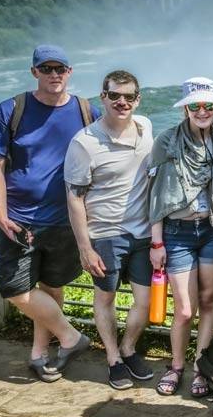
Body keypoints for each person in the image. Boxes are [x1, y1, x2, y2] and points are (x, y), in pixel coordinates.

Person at [0, 44, 99, 381]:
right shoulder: (12, 109)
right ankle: (71, 337)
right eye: (46, 69)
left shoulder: (84, 109)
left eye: (60, 69)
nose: (54, 75)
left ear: (70, 72)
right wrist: (0, 214)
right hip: (18, 218)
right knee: (16, 290)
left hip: (65, 219)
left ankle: (40, 352)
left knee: (51, 287)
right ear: (34, 72)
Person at [64, 70, 154, 390]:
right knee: (106, 296)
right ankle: (113, 358)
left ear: (137, 100)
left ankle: (129, 348)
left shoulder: (146, 128)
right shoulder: (84, 142)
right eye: (114, 95)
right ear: (103, 97)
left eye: (129, 96)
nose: (122, 102)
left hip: (142, 233)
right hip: (105, 233)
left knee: (145, 299)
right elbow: (74, 198)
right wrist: (85, 247)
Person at [149, 78, 213, 397]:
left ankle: (202, 367)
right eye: (195, 106)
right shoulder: (167, 140)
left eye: (208, 105)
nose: (202, 111)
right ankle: (176, 365)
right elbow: (154, 194)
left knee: (209, 301)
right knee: (185, 310)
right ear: (185, 108)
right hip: (177, 231)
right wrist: (156, 242)